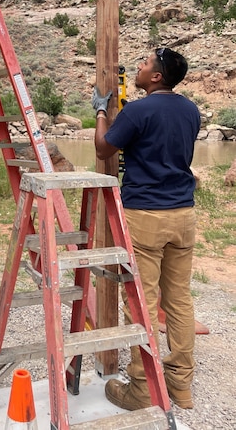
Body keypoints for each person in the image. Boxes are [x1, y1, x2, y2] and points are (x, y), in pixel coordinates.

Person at [92, 47, 201, 412]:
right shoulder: (190, 110)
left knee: (141, 301)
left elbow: (104, 149)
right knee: (180, 300)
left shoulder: (139, 111)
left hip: (146, 216)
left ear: (157, 77)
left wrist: (101, 112)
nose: (138, 67)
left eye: (144, 64)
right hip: (183, 214)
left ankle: (141, 387)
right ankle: (180, 384)